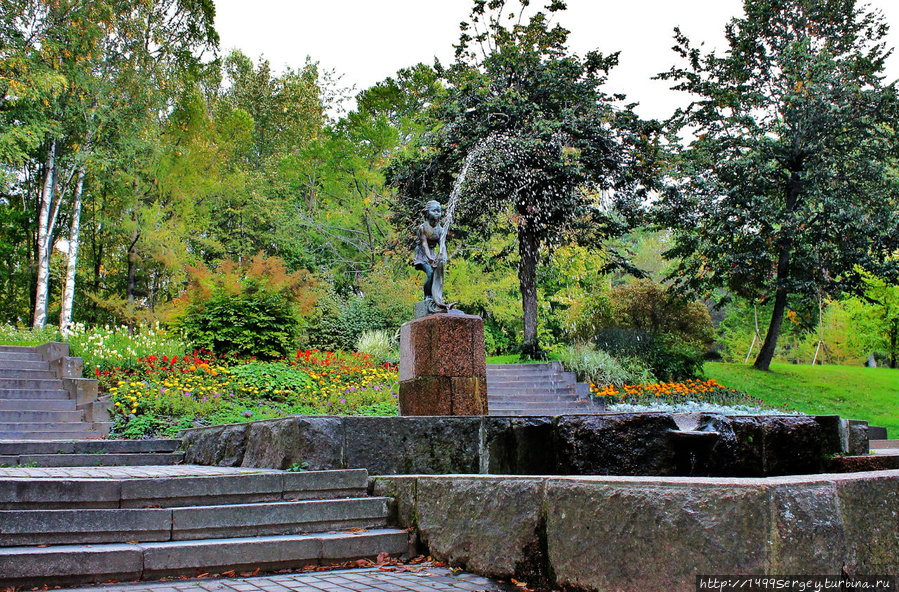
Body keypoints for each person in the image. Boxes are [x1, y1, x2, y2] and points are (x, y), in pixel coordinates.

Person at [413, 200, 446, 304]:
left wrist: (443, 256)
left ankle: (436, 296)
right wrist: (430, 258)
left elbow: (442, 245)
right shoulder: (423, 228)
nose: (437, 213)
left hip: (432, 252)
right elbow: (424, 244)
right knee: (430, 273)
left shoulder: (440, 230)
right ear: (427, 213)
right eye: (434, 211)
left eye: (439, 211)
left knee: (438, 274)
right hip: (422, 254)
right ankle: (427, 296)